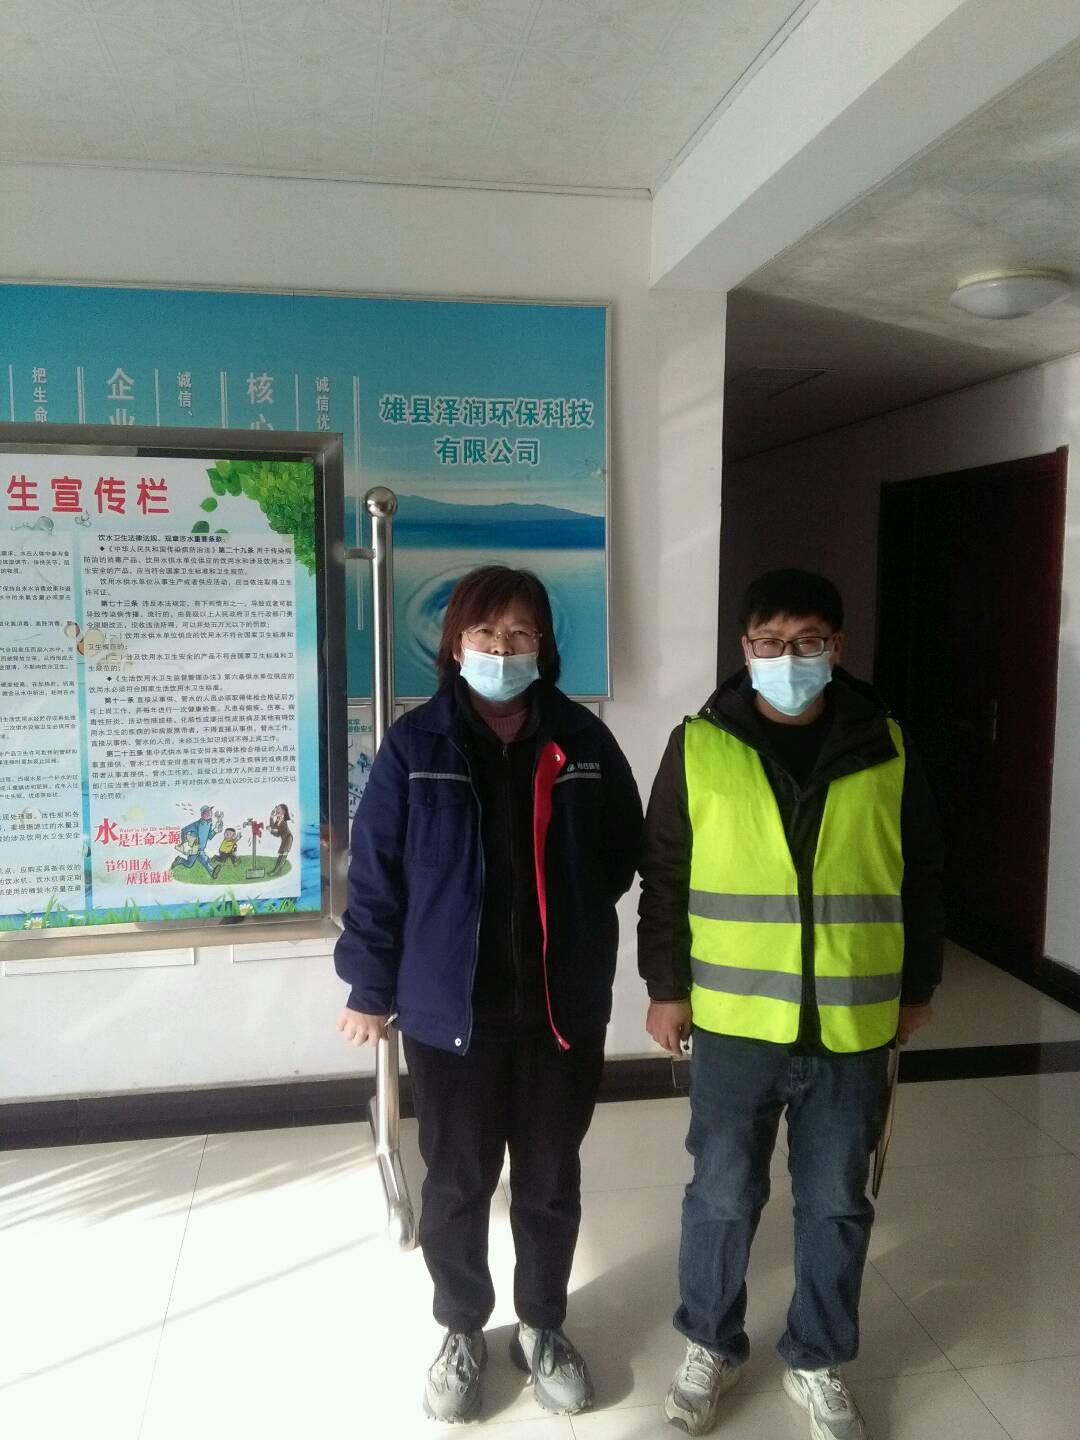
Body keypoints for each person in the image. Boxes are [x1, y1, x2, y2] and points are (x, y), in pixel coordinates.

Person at [334, 565, 643, 1424]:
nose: (501, 649)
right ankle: (463, 1328)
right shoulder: (416, 746)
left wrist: (572, 914)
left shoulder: (582, 740)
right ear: (456, 644)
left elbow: (623, 850)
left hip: (558, 1008)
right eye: (485, 633)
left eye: (518, 633)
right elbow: (377, 876)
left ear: (543, 644)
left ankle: (541, 1324)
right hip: (450, 1013)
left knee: (548, 1178)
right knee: (458, 1180)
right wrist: (369, 985)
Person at [638, 569, 943, 1439]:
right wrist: (666, 989)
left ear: (836, 647)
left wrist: (917, 987)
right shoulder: (699, 745)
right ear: (745, 649)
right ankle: (711, 1342)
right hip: (737, 1022)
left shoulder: (887, 744)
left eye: (807, 641)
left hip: (851, 1020)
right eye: (770, 642)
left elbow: (922, 872)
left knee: (837, 1202)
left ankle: (818, 1356)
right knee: (721, 1195)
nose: (788, 657)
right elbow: (664, 877)